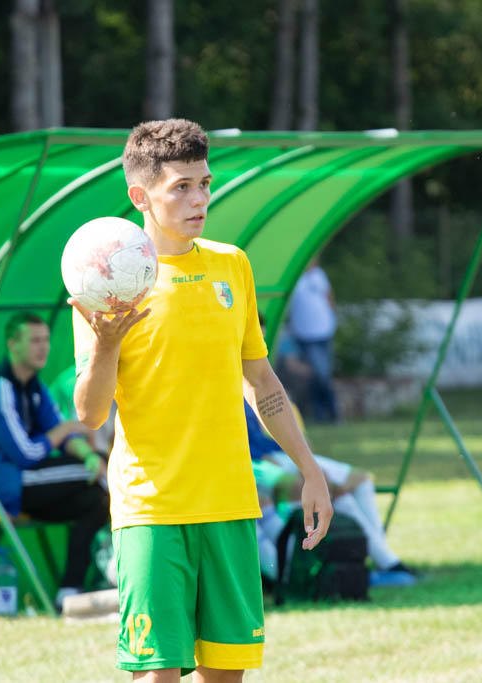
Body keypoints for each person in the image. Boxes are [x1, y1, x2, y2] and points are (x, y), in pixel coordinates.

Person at [71, 118, 332, 682]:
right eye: (182, 187)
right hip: (152, 509)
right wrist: (107, 345)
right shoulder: (106, 283)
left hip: (231, 505)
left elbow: (262, 382)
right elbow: (89, 414)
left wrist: (310, 470)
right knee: (157, 674)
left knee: (226, 675)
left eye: (205, 184)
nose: (200, 199)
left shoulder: (231, 265)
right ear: (140, 196)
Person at [0, 312, 110, 607]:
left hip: (25, 483)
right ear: (12, 345)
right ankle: (116, 572)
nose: (43, 347)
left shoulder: (35, 387)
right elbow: (25, 453)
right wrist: (74, 436)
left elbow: (62, 434)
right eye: (35, 340)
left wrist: (88, 454)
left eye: (46, 340)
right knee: (106, 474)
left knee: (95, 500)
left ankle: (70, 592)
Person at [244, 401, 417, 587]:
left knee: (358, 480)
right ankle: (301, 572)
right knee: (299, 484)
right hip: (251, 460)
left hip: (276, 451)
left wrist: (302, 456)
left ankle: (373, 562)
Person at [281, 258, 339, 423]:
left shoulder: (319, 275)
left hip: (325, 331)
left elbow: (329, 297)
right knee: (320, 374)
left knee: (323, 375)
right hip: (305, 334)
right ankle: (329, 413)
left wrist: (332, 318)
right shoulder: (293, 277)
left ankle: (325, 413)